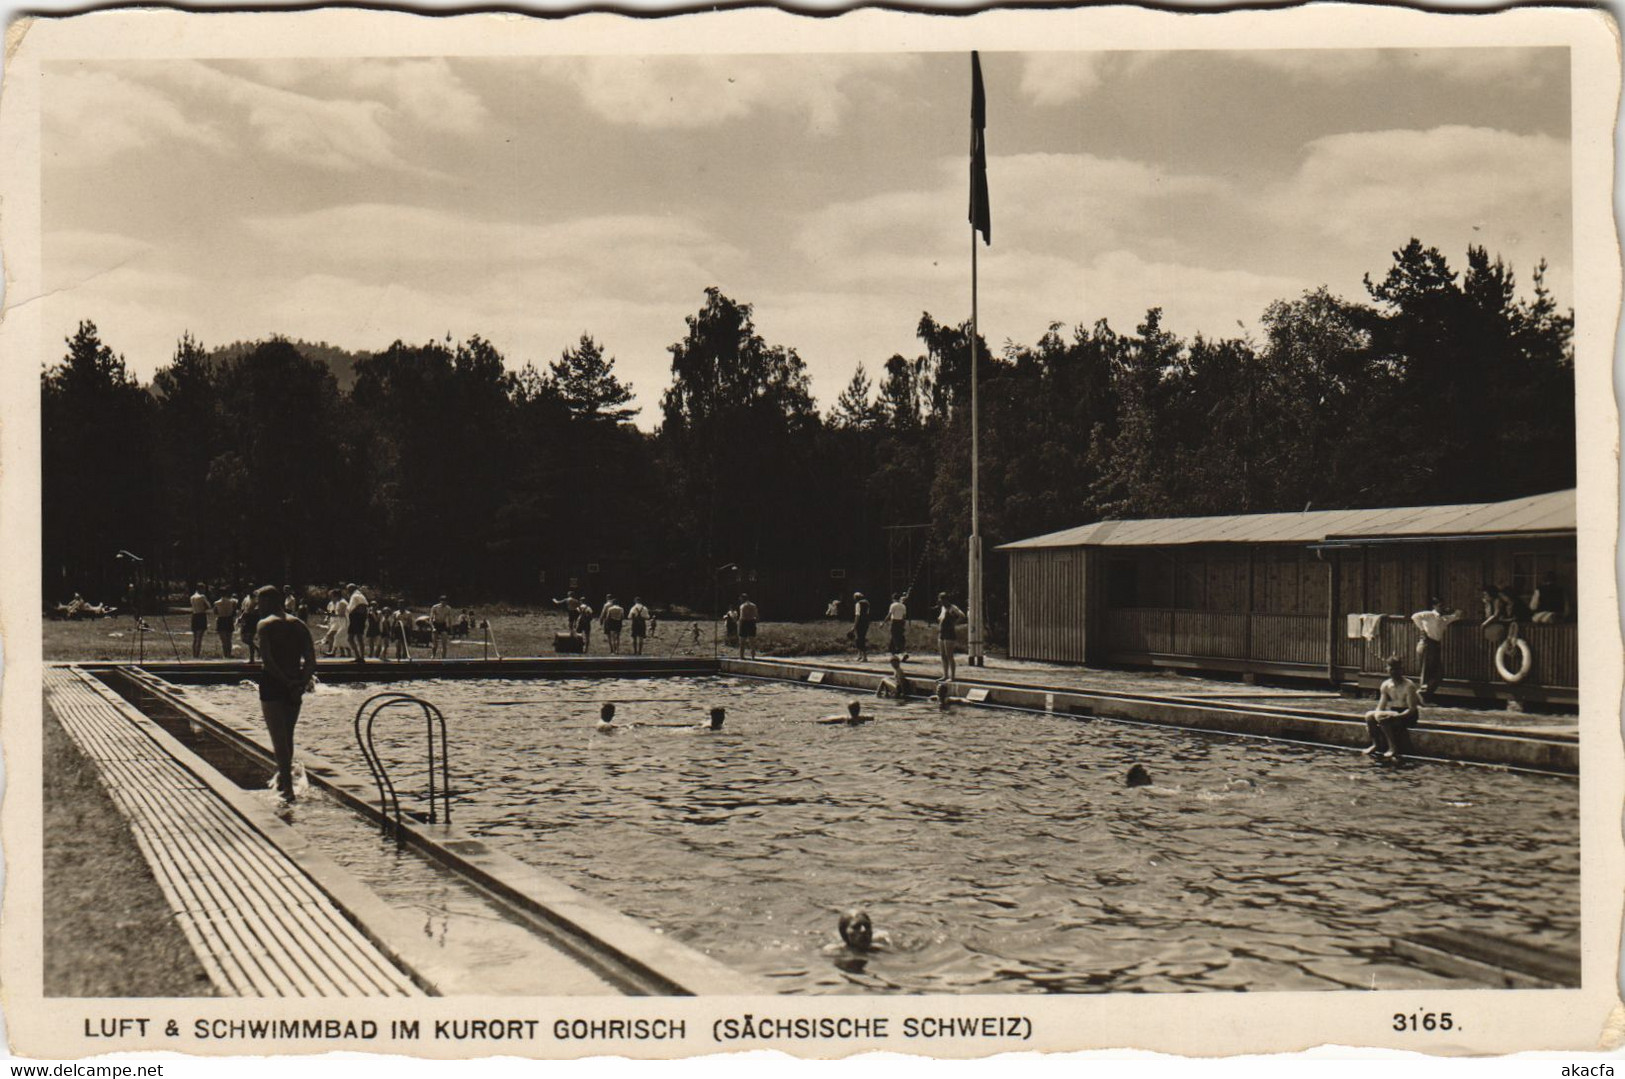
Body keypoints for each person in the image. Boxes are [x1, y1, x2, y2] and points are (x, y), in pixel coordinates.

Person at [253, 584, 316, 802]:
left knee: (278, 738)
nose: (257, 607)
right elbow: (311, 660)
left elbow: (268, 661)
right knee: (288, 735)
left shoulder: (265, 625)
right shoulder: (299, 624)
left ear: (269, 602)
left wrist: (286, 682)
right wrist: (300, 683)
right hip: (295, 683)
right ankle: (284, 780)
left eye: (259, 602)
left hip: (274, 683)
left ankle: (287, 789)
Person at [1364, 656, 1422, 764]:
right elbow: (1380, 707)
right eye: (1392, 669)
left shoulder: (1409, 686)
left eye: (1397, 669)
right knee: (1369, 715)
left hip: (1408, 716)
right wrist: (1373, 721)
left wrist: (1394, 716)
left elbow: (1412, 710)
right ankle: (1375, 744)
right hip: (1394, 713)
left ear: (1402, 670)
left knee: (1381, 717)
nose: (1394, 672)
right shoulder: (1386, 685)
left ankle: (1392, 747)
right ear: (1387, 669)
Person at [1409, 596, 1460, 699]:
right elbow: (1414, 616)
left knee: (1439, 673)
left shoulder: (1444, 618)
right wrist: (1422, 629)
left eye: (1443, 605)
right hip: (1427, 643)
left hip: (1436, 645)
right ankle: (1422, 695)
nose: (1442, 607)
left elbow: (1457, 615)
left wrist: (1453, 610)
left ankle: (1424, 693)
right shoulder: (1429, 615)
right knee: (1426, 670)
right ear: (1434, 606)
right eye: (1440, 605)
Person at [934, 593, 966, 681]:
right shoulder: (943, 608)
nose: (940, 602)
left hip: (949, 633)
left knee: (949, 655)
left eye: (941, 600)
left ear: (945, 600)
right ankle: (945, 675)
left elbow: (962, 616)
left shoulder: (953, 608)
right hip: (942, 633)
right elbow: (941, 618)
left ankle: (952, 676)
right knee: (943, 655)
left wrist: (954, 623)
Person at [346, 583, 370, 664]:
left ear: (351, 589)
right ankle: (358, 656)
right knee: (351, 638)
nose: (347, 591)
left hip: (357, 618)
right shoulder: (355, 595)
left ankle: (361, 657)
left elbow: (363, 606)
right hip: (355, 618)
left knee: (358, 637)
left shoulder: (357, 595)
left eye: (348, 589)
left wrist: (354, 612)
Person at [186, 583, 210, 658]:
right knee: (199, 637)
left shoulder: (192, 597)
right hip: (201, 615)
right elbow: (208, 606)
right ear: (200, 589)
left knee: (195, 637)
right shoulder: (202, 597)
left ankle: (194, 654)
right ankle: (197, 654)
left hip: (194, 615)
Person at [214, 589, 238, 658]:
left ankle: (225, 654)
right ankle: (229, 654)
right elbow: (234, 611)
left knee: (223, 640)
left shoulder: (216, 603)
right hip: (229, 619)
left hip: (221, 619)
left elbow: (215, 612)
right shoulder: (232, 602)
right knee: (229, 639)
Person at [884, 592, 909, 656]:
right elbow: (904, 616)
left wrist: (884, 622)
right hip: (901, 622)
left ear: (893, 598)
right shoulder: (903, 606)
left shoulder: (893, 605)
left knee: (895, 636)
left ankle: (901, 651)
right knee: (898, 635)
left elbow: (889, 615)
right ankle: (892, 650)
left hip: (894, 621)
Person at [239, 590, 259, 663]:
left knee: (250, 638)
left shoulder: (257, 600)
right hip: (247, 618)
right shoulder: (246, 599)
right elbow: (245, 609)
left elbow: (257, 609)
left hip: (253, 619)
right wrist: (241, 617)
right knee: (243, 638)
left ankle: (252, 658)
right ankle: (257, 649)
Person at [737, 594, 759, 659]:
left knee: (742, 641)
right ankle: (753, 657)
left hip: (744, 622)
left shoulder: (742, 606)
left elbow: (741, 616)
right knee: (752, 641)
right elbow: (756, 615)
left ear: (742, 599)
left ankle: (741, 656)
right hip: (751, 622)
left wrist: (739, 624)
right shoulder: (753, 605)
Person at [851, 592, 872, 662]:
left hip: (860, 622)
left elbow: (857, 615)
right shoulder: (867, 603)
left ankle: (864, 656)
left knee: (860, 639)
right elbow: (868, 613)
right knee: (861, 638)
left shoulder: (858, 604)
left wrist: (854, 626)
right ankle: (860, 655)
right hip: (866, 622)